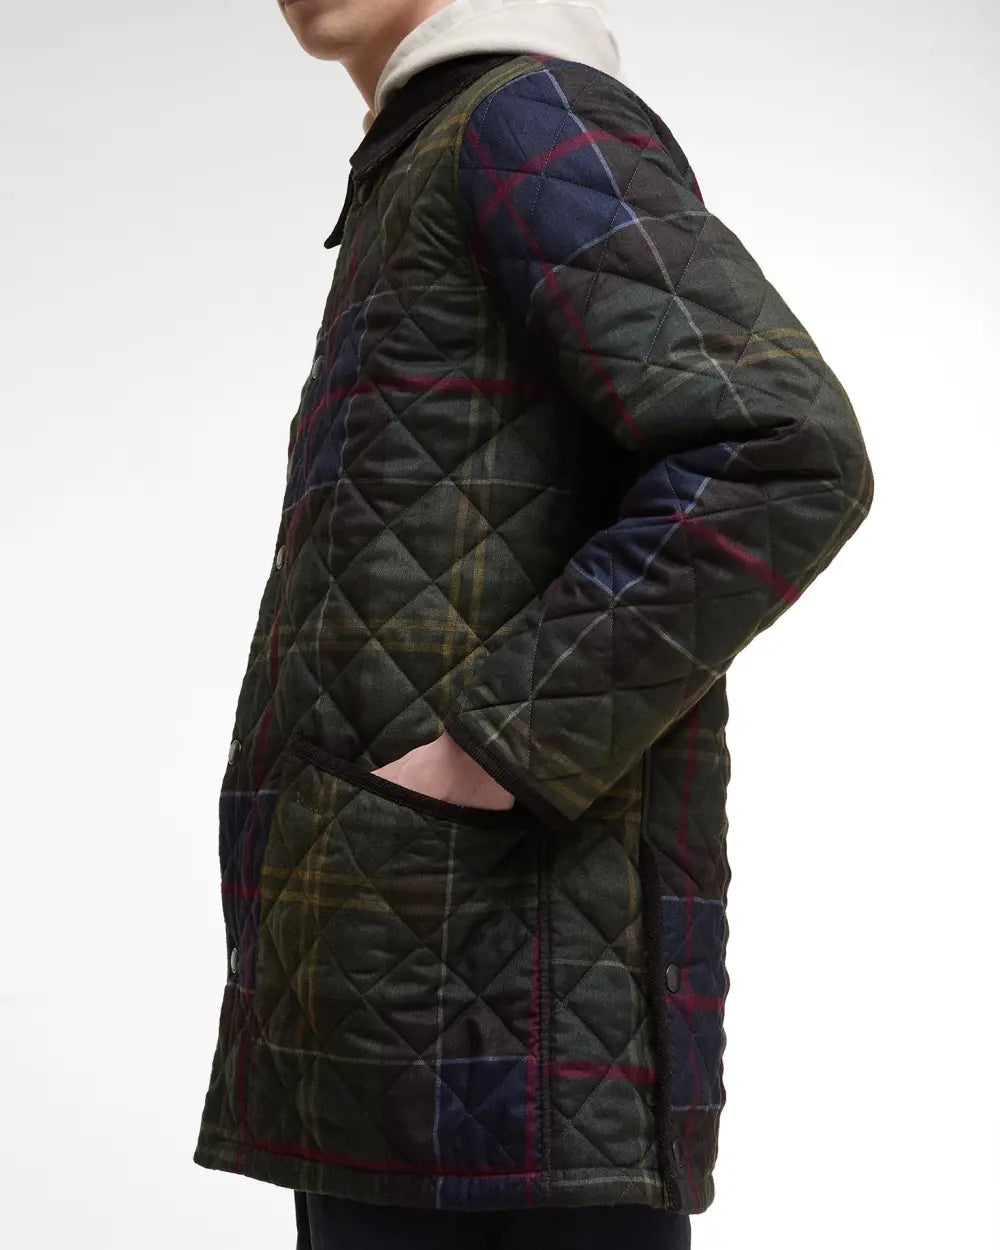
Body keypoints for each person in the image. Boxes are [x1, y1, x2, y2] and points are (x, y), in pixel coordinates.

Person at [192, 1, 875, 1247]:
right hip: (392, 988)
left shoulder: (525, 118)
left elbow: (786, 452)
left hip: (512, 1018)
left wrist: (498, 741)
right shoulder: (426, 154)